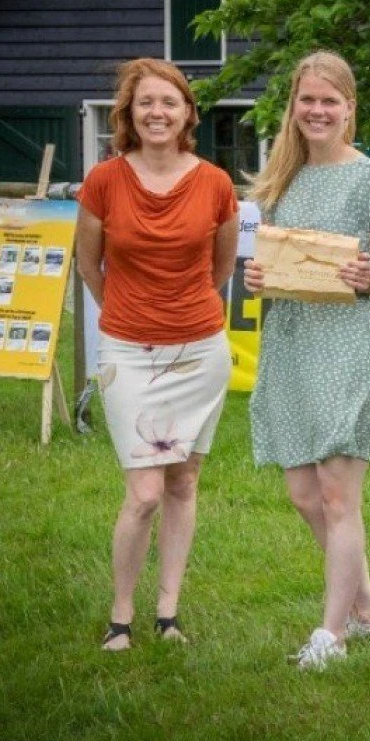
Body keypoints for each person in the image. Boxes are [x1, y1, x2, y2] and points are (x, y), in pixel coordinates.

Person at [243, 52, 370, 671]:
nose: (317, 111)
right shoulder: (279, 179)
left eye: (329, 101)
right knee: (304, 494)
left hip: (344, 346)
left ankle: (331, 636)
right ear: (295, 106)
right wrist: (261, 277)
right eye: (307, 100)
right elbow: (276, 263)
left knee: (339, 497)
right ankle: (367, 613)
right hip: (288, 344)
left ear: (349, 109)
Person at [76, 58, 238, 652]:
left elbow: (220, 268)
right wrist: (127, 310)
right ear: (129, 114)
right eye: (145, 103)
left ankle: (168, 610)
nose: (157, 113)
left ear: (188, 113)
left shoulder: (216, 183)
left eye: (169, 102)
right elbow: (88, 263)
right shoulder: (104, 181)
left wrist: (182, 312)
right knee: (144, 491)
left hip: (199, 350)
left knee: (184, 482)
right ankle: (122, 613)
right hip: (128, 350)